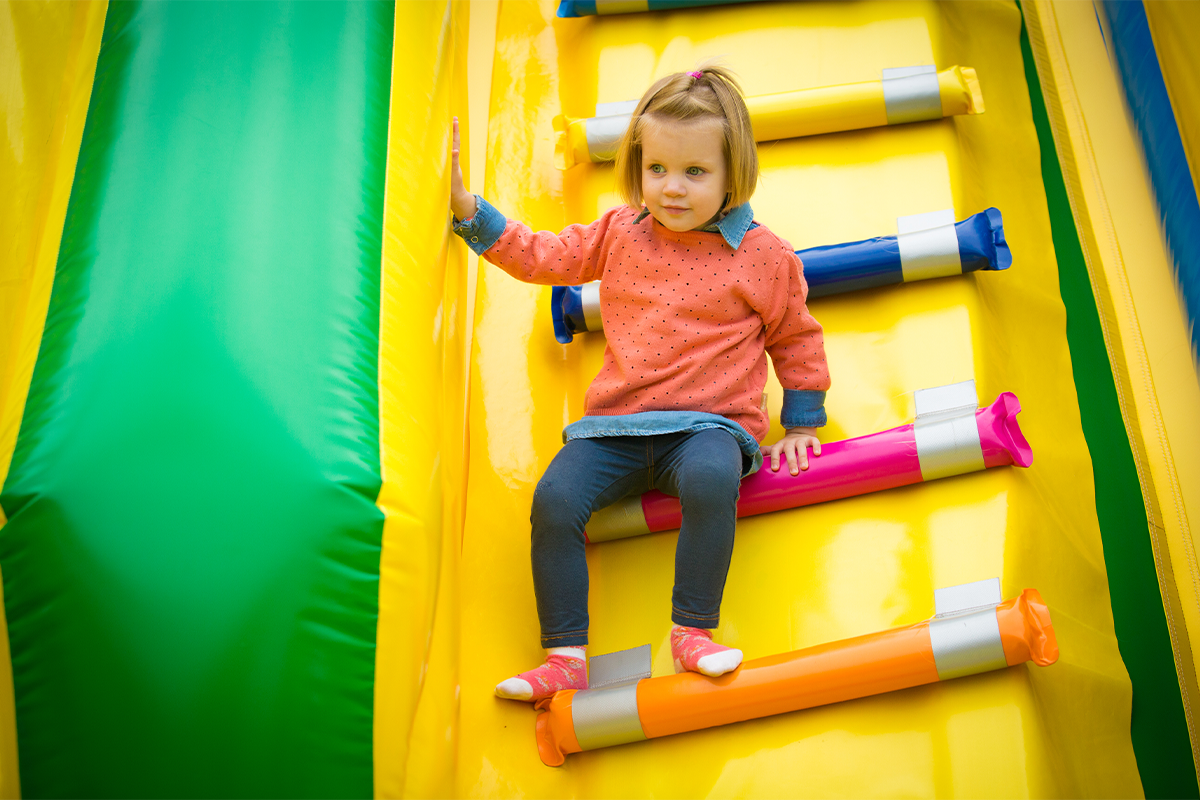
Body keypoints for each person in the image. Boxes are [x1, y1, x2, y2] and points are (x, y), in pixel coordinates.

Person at [449, 65, 831, 702]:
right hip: (617, 426)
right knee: (553, 499)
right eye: (657, 170)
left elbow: (796, 335)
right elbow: (545, 256)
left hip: (710, 425)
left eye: (694, 173)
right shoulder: (621, 232)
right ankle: (565, 655)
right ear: (637, 165)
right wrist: (471, 214)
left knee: (711, 479)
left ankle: (693, 632)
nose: (672, 189)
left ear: (733, 172)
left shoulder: (765, 256)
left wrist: (801, 421)